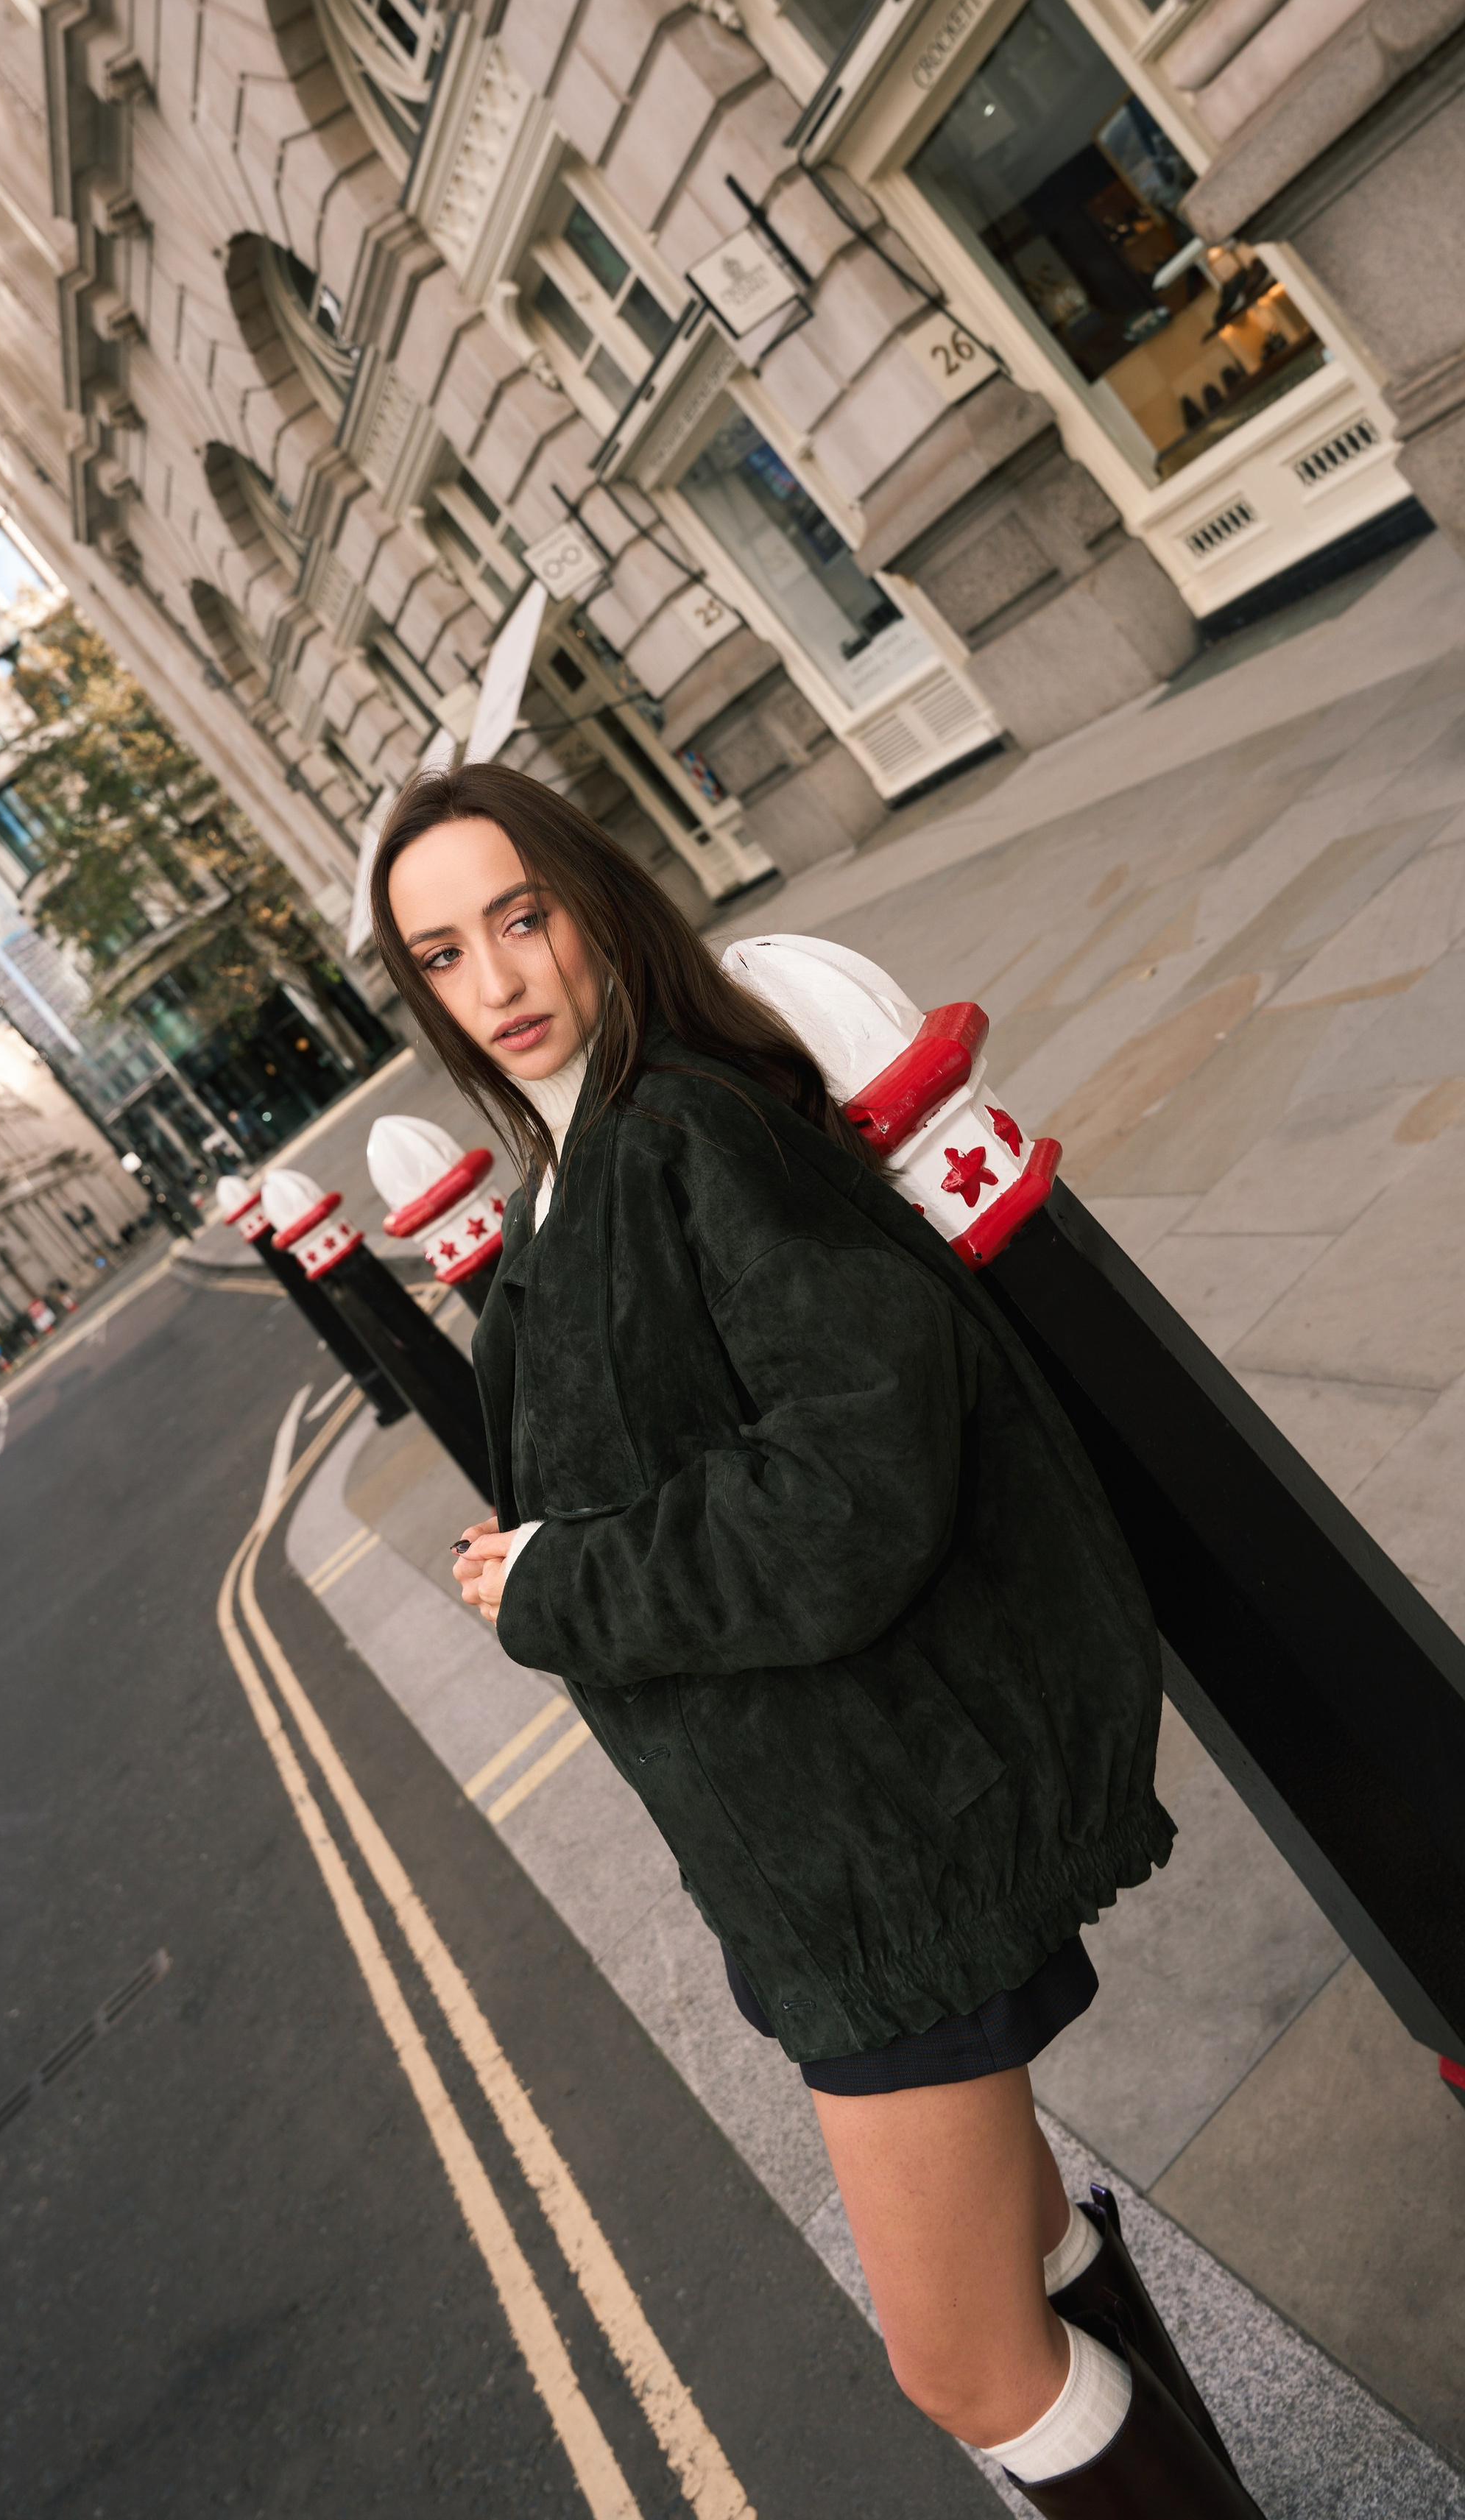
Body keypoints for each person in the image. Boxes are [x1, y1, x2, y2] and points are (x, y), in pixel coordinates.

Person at [372, 760, 1263, 2517]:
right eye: (442, 953)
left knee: (953, 2356)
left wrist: (558, 1583)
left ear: (596, 903)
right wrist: (543, 1549)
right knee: (1015, 2247)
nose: (496, 979)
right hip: (826, 1831)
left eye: (521, 915)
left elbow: (846, 1487)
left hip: (881, 1835)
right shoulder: (564, 1171)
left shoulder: (681, 1126)